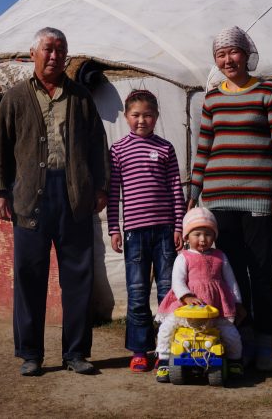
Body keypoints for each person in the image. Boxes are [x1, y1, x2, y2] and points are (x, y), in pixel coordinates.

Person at [0, 27, 110, 377]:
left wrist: (101, 187)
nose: (54, 56)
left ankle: (76, 353)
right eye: (48, 49)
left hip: (74, 196)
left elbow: (99, 146)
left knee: (78, 277)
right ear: (32, 54)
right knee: (29, 276)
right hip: (30, 198)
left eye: (60, 50)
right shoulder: (15, 98)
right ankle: (30, 353)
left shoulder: (81, 97)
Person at [188, 26, 272, 372]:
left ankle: (264, 342)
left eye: (233, 52)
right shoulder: (213, 98)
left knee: (261, 273)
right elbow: (203, 149)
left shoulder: (268, 93)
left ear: (247, 53)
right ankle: (241, 339)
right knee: (229, 273)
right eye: (221, 54)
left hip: (259, 199)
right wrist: (193, 194)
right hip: (218, 199)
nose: (227, 60)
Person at [107, 89, 185, 373]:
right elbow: (113, 192)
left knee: (167, 291)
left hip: (165, 231)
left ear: (156, 117)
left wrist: (179, 225)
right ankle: (140, 350)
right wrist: (114, 229)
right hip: (135, 234)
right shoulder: (118, 150)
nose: (142, 120)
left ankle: (168, 347)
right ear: (126, 117)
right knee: (137, 291)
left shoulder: (165, 148)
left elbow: (176, 189)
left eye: (148, 115)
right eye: (136, 115)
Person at [154, 207, 244, 382]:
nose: (203, 239)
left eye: (208, 234)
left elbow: (231, 281)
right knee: (166, 329)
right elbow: (177, 281)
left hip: (215, 309)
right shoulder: (183, 257)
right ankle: (164, 361)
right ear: (187, 236)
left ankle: (235, 361)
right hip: (185, 309)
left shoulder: (220, 256)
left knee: (231, 334)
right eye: (197, 234)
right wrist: (186, 296)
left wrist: (237, 303)